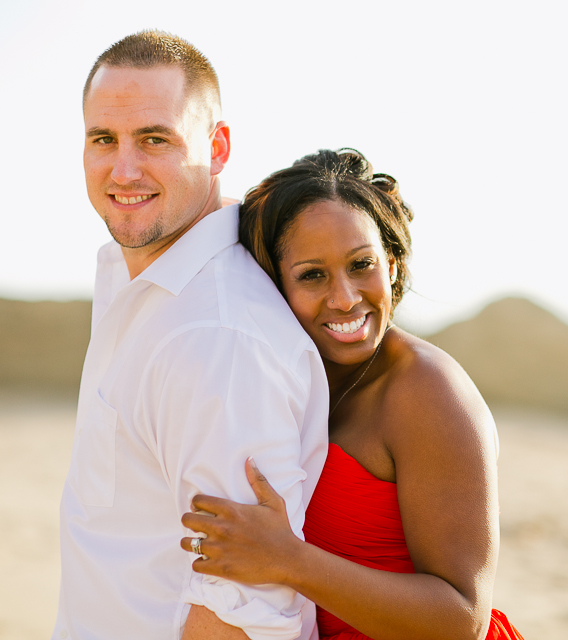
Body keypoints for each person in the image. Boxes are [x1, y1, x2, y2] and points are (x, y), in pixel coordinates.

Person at [180, 149, 524, 640]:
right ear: (273, 284)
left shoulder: (428, 394)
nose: (344, 298)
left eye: (361, 265)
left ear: (393, 264)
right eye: (312, 275)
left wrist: (288, 560)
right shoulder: (285, 379)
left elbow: (462, 619)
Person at [54, 30, 329, 640]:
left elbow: (244, 608)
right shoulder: (146, 282)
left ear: (218, 145)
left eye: (155, 139)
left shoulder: (217, 335)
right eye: (104, 139)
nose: (123, 169)